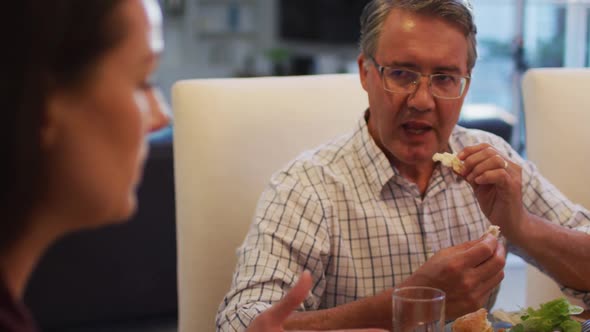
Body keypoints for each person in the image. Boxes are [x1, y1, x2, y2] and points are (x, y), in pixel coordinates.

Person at [1, 1, 385, 331]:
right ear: (43, 103)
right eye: (141, 80)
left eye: (446, 76)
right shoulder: (308, 184)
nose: (160, 116)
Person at [216, 0, 590, 331]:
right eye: (402, 73)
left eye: (444, 78)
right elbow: (241, 323)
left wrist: (521, 225)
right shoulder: (308, 188)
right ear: (366, 73)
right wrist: (410, 299)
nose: (423, 100)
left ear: (466, 83)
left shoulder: (490, 159)